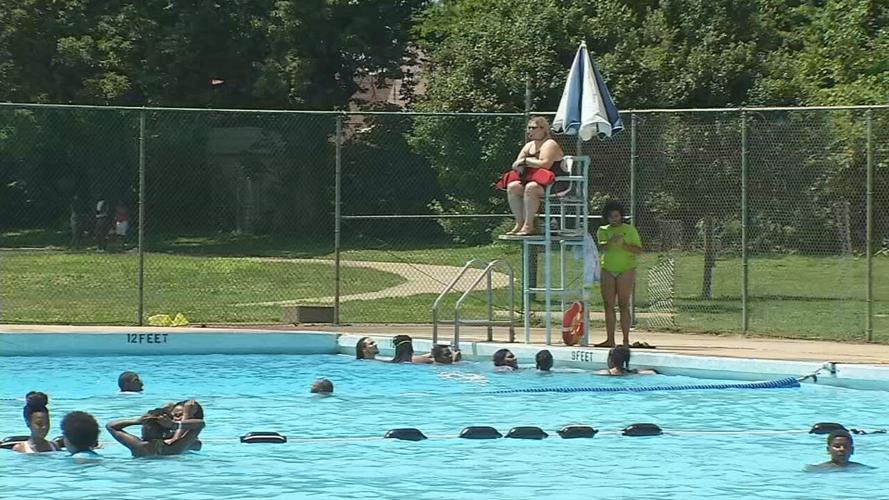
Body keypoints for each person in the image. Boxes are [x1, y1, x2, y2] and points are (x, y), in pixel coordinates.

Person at [496, 116, 567, 236]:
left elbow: (545, 164)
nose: (530, 131)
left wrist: (528, 161)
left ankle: (529, 226)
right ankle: (520, 223)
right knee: (513, 187)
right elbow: (516, 164)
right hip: (535, 182)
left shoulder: (550, 144)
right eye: (528, 128)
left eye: (533, 128)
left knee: (531, 187)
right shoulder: (529, 146)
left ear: (543, 129)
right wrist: (526, 161)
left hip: (555, 185)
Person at [596, 201, 642, 347]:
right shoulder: (603, 230)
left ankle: (626, 340)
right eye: (611, 217)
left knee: (623, 305)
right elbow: (602, 247)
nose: (614, 219)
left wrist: (624, 245)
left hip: (626, 269)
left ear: (621, 216)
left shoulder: (630, 230)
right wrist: (611, 241)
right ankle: (610, 339)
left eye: (616, 216)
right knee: (608, 305)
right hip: (608, 269)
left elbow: (638, 250)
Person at [106, 407, 205, 458]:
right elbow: (200, 424)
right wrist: (174, 425)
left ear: (147, 428)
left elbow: (111, 426)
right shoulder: (176, 448)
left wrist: (136, 421)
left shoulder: (139, 446)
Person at [806, 430, 870, 471]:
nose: (841, 449)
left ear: (852, 450)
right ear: (828, 450)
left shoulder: (863, 469)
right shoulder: (816, 469)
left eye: (845, 446)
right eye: (837, 446)